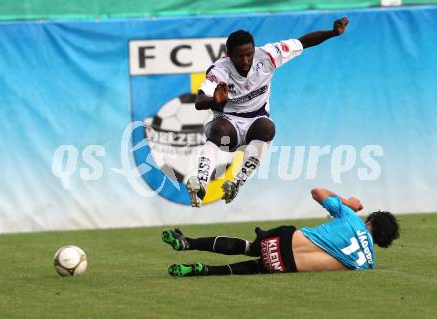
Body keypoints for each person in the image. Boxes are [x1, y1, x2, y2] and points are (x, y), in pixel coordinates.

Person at [187, 17, 350, 207]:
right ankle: (201, 183)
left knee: (268, 127)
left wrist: (333, 33)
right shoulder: (219, 71)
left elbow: (303, 42)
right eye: (240, 56)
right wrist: (214, 100)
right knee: (218, 129)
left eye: (249, 54)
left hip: (255, 120)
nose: (246, 60)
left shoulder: (268, 55)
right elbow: (199, 101)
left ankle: (237, 182)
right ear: (229, 54)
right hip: (228, 122)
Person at [162, 187, 400, 277]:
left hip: (285, 240)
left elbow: (317, 192)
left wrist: (348, 202)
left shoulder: (352, 217)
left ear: (371, 220)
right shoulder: (368, 264)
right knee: (256, 267)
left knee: (248, 247)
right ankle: (202, 271)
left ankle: (187, 243)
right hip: (287, 265)